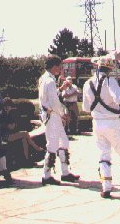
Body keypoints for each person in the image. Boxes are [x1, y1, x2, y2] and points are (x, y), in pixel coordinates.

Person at [82, 54, 120, 199]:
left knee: (103, 154)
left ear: (98, 66)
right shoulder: (110, 81)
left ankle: (106, 188)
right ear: (110, 68)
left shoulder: (87, 84)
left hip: (97, 123)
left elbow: (86, 107)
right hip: (112, 122)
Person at [38, 55, 80, 186]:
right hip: (53, 116)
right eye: (59, 66)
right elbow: (54, 102)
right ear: (54, 66)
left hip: (52, 115)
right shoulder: (49, 81)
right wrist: (63, 114)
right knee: (52, 145)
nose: (60, 69)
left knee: (63, 142)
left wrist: (61, 89)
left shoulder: (45, 79)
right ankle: (46, 175)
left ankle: (65, 173)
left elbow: (51, 95)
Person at [0, 98, 44, 166]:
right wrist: (14, 123)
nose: (7, 108)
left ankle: (26, 160)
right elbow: (10, 127)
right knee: (25, 133)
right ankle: (36, 148)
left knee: (24, 139)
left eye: (9, 106)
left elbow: (14, 126)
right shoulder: (3, 115)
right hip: (5, 136)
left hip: (11, 134)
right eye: (6, 106)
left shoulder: (11, 114)